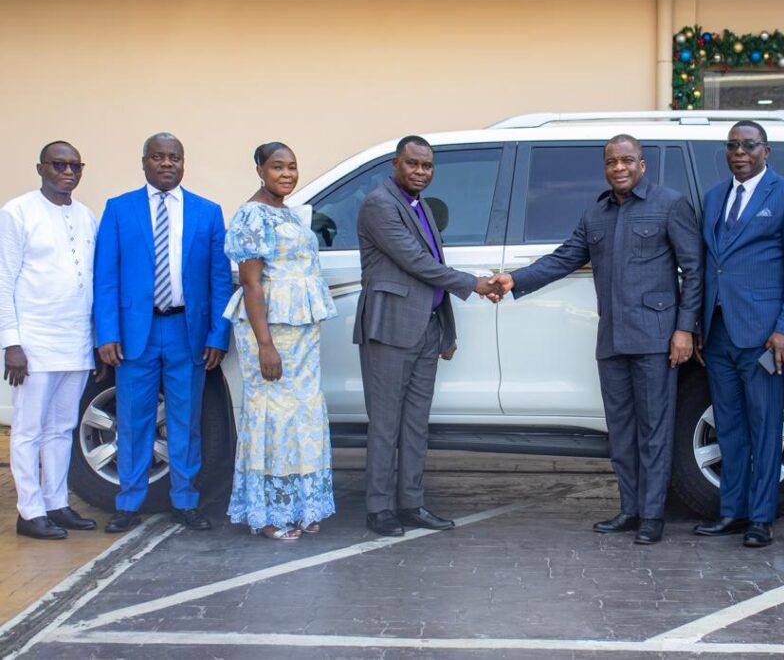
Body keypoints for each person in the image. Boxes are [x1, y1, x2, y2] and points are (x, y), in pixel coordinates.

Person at [489, 134, 703, 545]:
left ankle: (652, 516)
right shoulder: (596, 214)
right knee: (620, 431)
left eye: (627, 160)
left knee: (654, 431)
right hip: (612, 339)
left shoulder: (669, 204)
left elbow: (694, 270)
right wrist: (516, 278)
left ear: (642, 164)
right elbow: (564, 258)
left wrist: (684, 329)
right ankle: (630, 509)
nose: (619, 168)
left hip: (656, 340)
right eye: (611, 162)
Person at [355, 135, 502, 537]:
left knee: (416, 424)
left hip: (425, 327)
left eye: (427, 166)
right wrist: (474, 283)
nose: (421, 171)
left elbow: (433, 268)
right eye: (413, 163)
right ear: (395, 164)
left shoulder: (420, 207)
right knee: (385, 423)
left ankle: (411, 504)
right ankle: (379, 509)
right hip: (390, 328)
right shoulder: (379, 205)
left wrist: (446, 332)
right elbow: (417, 262)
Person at [94, 133, 233, 533]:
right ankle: (128, 502)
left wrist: (218, 335)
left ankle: (185, 500)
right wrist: (106, 332)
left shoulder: (207, 212)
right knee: (133, 419)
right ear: (144, 162)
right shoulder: (119, 209)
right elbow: (105, 277)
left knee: (185, 420)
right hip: (134, 333)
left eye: (174, 157)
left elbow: (219, 280)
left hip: (186, 331)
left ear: (183, 163)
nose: (167, 163)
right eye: (158, 157)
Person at [693, 120, 784, 548]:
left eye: (748, 145)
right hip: (719, 331)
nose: (740, 152)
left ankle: (760, 518)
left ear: (766, 150)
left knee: (765, 427)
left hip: (764, 335)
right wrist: (699, 325)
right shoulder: (714, 196)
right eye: (732, 145)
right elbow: (710, 264)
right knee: (728, 425)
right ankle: (731, 511)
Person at [223, 143, 337, 541]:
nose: (286, 174)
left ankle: (300, 505)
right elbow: (251, 283)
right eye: (277, 167)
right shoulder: (251, 215)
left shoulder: (288, 213)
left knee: (303, 414)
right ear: (259, 169)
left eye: (292, 167)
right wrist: (264, 345)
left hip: (301, 331)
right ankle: (268, 513)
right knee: (271, 415)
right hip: (269, 329)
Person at [0, 141, 99, 539]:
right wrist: (11, 343)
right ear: (41, 168)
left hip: (76, 340)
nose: (68, 172)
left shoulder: (86, 216)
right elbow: (4, 281)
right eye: (59, 164)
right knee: (28, 429)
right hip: (34, 342)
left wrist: (96, 340)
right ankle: (29, 511)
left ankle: (56, 503)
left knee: (62, 427)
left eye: (75, 165)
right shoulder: (17, 212)